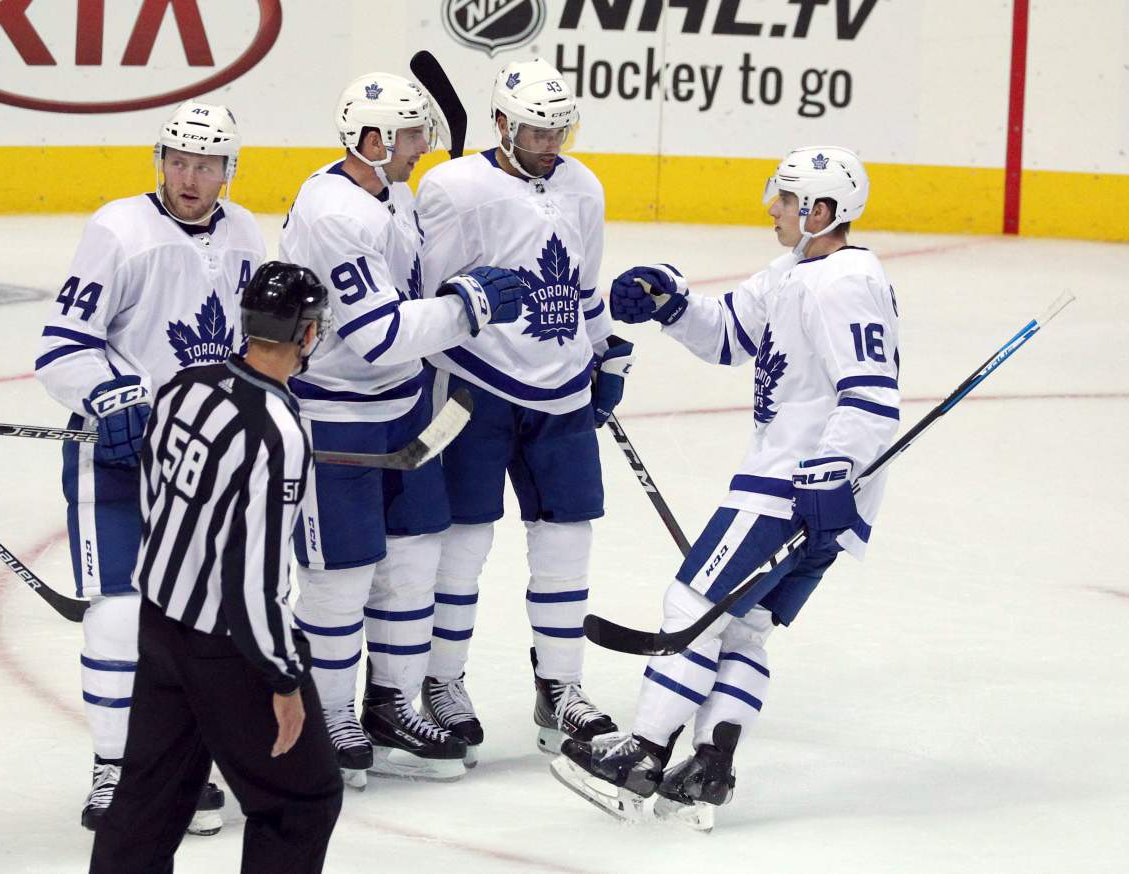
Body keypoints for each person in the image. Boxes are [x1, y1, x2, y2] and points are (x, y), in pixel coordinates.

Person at [551, 147, 901, 831]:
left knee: (692, 602)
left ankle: (642, 754)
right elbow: (731, 336)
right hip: (821, 488)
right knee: (743, 626)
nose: (774, 207)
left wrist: (829, 476)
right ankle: (708, 770)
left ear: (821, 212)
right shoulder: (795, 271)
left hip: (796, 482)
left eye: (789, 200)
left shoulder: (845, 282)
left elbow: (871, 397)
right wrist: (671, 304)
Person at [278, 72, 525, 788]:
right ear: (374, 139)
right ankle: (325, 715)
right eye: (414, 135)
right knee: (341, 576)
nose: (424, 147)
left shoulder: (394, 193)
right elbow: (381, 334)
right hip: (335, 416)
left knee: (415, 560)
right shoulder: (333, 215)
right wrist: (469, 306)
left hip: (407, 409)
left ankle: (389, 704)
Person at [35, 99, 266, 833]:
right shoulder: (118, 228)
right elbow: (62, 344)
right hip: (118, 454)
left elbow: (255, 343)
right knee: (119, 614)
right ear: (159, 159)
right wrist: (110, 394)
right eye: (178, 161)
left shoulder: (246, 234)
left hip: (202, 461)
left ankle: (179, 766)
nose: (189, 178)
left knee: (199, 622)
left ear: (229, 171)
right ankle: (115, 768)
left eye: (205, 165)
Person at [414, 58, 634, 765]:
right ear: (502, 122)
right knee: (464, 542)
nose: (549, 142)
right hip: (476, 386)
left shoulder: (583, 185)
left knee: (568, 538)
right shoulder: (453, 187)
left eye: (559, 128)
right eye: (536, 129)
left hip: (563, 389)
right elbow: (429, 296)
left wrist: (606, 351)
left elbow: (583, 284)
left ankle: (560, 688)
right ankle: (441, 682)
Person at [89, 261, 342, 874]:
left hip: (161, 623)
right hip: (230, 651)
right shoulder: (278, 433)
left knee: (148, 799)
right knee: (301, 799)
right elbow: (253, 575)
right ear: (308, 334)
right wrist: (283, 678)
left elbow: (153, 493)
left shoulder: (183, 384)